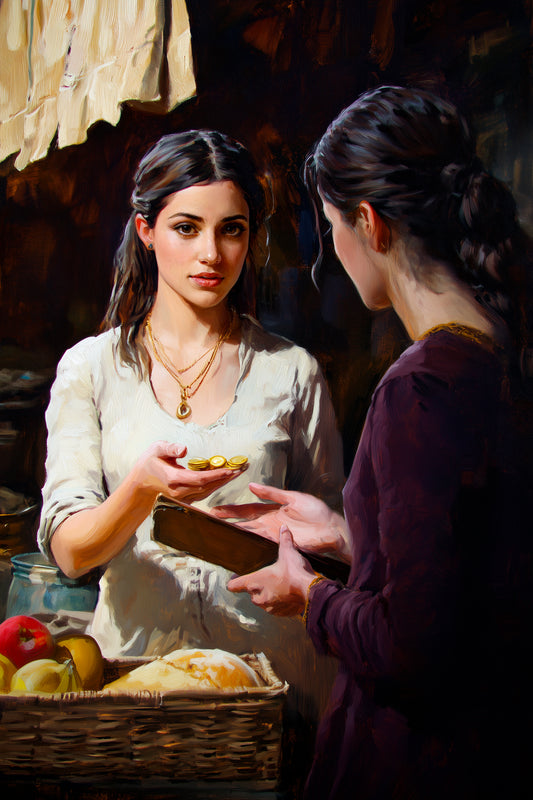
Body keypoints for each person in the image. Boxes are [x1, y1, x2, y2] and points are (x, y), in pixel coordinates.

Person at [223, 86, 533, 799]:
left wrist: (312, 596)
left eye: (331, 225)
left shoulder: (419, 388)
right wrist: (352, 538)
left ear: (369, 223)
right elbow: (478, 581)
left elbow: (411, 648)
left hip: (418, 764)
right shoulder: (500, 355)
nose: (332, 247)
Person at [37, 130, 345, 739]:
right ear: (147, 230)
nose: (212, 252)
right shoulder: (91, 368)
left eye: (232, 229)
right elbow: (70, 551)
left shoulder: (292, 371)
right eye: (186, 227)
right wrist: (142, 490)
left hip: (271, 688)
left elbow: (334, 548)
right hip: (136, 685)